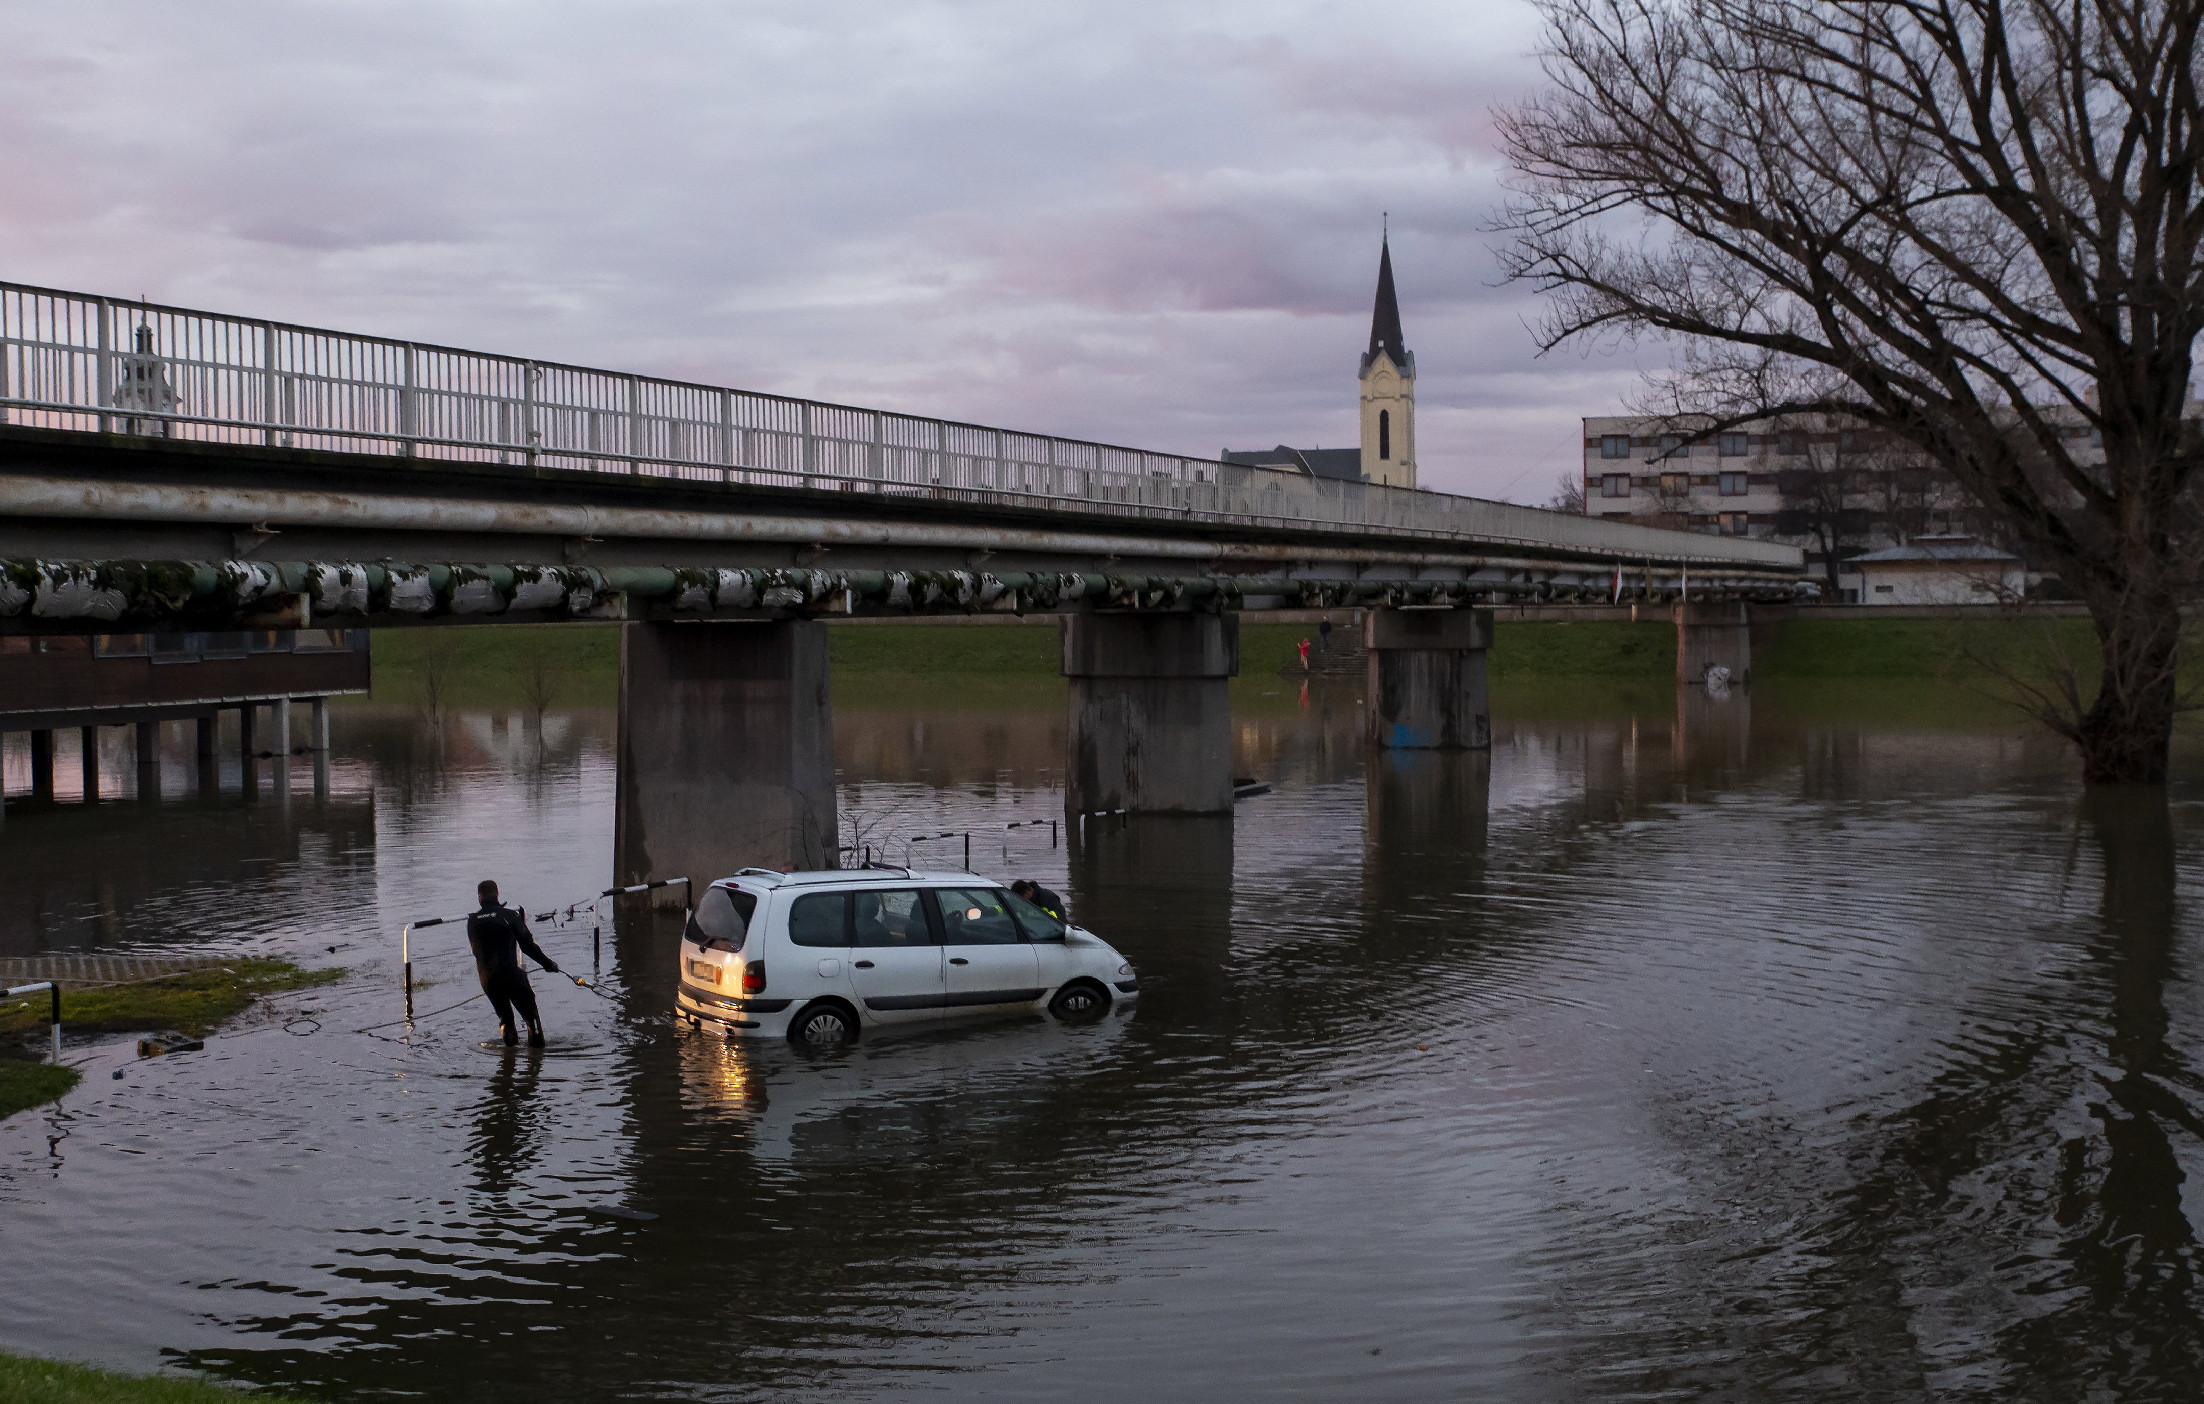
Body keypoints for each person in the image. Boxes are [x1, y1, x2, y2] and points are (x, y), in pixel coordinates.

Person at [467, 880, 561, 1047]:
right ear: (497, 894)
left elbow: (476, 951)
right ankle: (536, 1060)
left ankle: (508, 1059)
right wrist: (548, 964)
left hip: (488, 979)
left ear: (479, 898)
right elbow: (528, 946)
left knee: (505, 1018)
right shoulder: (510, 916)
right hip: (511, 974)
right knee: (531, 1018)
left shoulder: (472, 921)